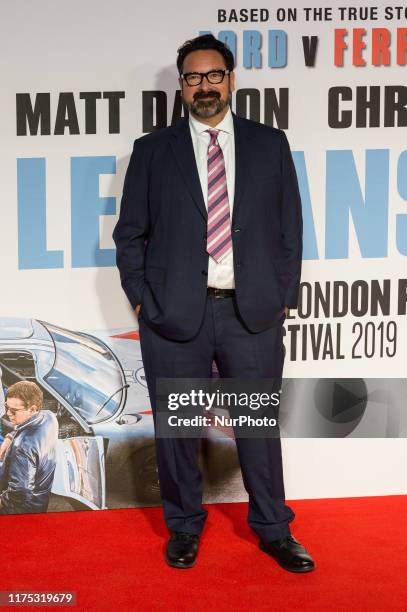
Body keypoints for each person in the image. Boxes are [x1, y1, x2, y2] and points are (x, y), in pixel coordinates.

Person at [113, 34, 315, 572]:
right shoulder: (153, 150)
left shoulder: (269, 144)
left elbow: (289, 230)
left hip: (251, 315)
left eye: (213, 75)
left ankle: (274, 529)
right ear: (182, 86)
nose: (204, 86)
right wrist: (141, 302)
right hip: (175, 316)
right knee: (179, 431)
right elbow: (129, 234)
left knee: (257, 428)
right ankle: (183, 528)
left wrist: (282, 299)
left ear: (231, 79)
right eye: (193, 78)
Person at [0, 381, 58, 514]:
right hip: (40, 500)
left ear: (32, 409)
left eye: (14, 411)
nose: (8, 413)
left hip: (20, 510)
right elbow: (21, 428)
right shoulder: (48, 417)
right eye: (6, 407)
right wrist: (8, 439)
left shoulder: (22, 447)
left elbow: (20, 493)